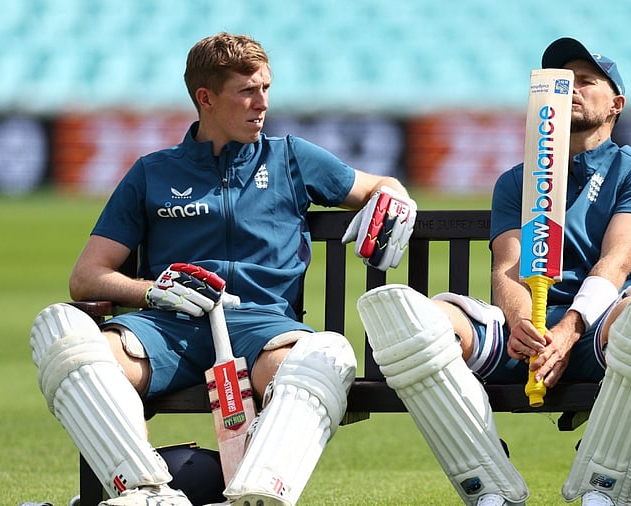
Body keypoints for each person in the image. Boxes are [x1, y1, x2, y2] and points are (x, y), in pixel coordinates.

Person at [29, 32, 416, 506]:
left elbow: (378, 184)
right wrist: (154, 293)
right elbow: (87, 276)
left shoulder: (292, 157)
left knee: (323, 359)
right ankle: (145, 493)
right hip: (166, 326)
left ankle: (255, 496)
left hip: (264, 326)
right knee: (66, 338)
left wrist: (395, 196)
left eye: (266, 89)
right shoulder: (153, 172)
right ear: (205, 98)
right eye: (247, 91)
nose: (262, 104)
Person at [356, 37, 631, 506]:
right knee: (412, 321)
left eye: (586, 82)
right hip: (526, 336)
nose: (571, 90)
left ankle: (603, 489)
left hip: (605, 333)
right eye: (563, 82)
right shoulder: (518, 179)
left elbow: (617, 262)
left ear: (616, 104)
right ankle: (489, 486)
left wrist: (568, 331)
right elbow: (508, 266)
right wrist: (522, 324)